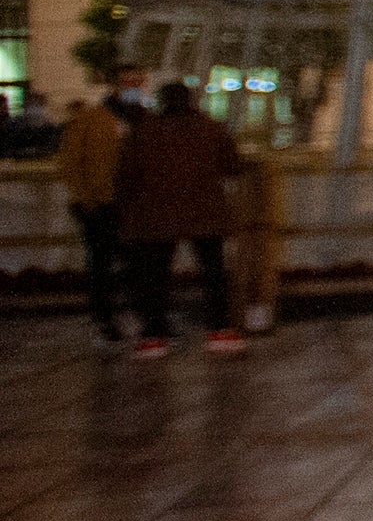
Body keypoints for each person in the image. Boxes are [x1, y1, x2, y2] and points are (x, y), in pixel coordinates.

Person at [117, 82, 249, 357]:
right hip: (205, 212)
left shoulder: (145, 132)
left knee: (155, 276)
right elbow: (232, 166)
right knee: (213, 271)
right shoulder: (211, 128)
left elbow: (126, 174)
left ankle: (155, 335)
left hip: (157, 215)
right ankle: (221, 330)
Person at [56, 82, 128, 344]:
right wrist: (86, 200)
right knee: (102, 263)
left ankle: (137, 319)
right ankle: (104, 318)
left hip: (127, 204)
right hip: (100, 204)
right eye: (128, 83)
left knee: (130, 262)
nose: (134, 88)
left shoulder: (138, 117)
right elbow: (70, 161)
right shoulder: (91, 119)